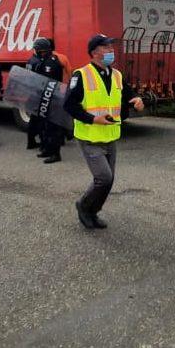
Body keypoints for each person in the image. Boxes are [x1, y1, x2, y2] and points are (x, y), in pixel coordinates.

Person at [66, 34, 145, 230]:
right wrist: (93, 119)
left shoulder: (116, 74)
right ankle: (83, 206)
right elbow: (69, 105)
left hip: (110, 136)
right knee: (104, 178)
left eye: (111, 46)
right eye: (105, 47)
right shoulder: (81, 75)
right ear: (94, 52)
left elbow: (128, 94)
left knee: (108, 181)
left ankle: (92, 211)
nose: (111, 50)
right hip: (89, 136)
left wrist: (136, 99)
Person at [26, 38, 65, 163]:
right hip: (45, 99)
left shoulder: (52, 62)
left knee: (54, 128)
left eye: (36, 50)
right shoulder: (45, 61)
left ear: (41, 50)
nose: (35, 52)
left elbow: (51, 82)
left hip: (52, 99)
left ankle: (56, 154)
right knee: (46, 127)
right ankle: (48, 150)